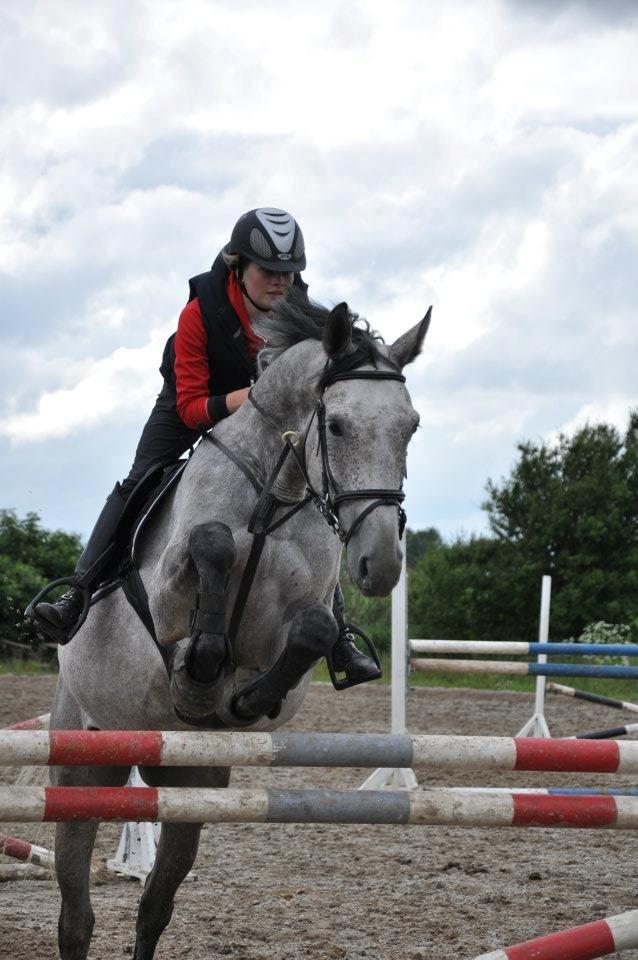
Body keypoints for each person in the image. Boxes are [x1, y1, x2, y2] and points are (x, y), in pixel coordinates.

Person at [30, 207, 380, 683]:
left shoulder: (298, 307)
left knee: (311, 489)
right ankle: (78, 593)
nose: (280, 282)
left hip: (264, 411)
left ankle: (337, 636)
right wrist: (256, 396)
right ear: (238, 267)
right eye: (269, 272)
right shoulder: (200, 312)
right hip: (190, 401)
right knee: (141, 478)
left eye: (289, 272)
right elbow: (194, 409)